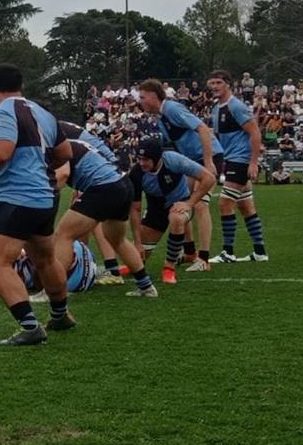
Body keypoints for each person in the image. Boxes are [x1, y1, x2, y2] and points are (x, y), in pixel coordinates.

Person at [0, 64, 72, 346]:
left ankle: (30, 327)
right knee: (45, 258)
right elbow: (65, 153)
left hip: (17, 198)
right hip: (45, 197)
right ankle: (60, 315)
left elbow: (0, 153)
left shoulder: (2, 113)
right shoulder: (43, 113)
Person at [49, 139, 159, 297]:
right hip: (123, 184)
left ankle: (53, 291)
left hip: (104, 186)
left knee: (64, 235)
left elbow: (63, 174)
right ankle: (146, 287)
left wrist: (41, 193)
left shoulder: (58, 145)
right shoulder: (73, 141)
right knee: (117, 240)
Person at [138, 79, 221, 269]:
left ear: (153, 96)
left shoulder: (172, 109)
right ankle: (190, 252)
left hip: (207, 156)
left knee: (199, 204)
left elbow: (202, 128)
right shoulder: (160, 117)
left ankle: (204, 259)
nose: (140, 101)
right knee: (182, 201)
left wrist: (208, 162)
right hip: (191, 159)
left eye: (142, 97)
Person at [130, 137, 218, 285]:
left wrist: (190, 203)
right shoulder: (136, 173)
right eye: (139, 159)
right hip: (155, 210)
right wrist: (137, 243)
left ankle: (169, 268)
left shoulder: (173, 160)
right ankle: (129, 265)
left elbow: (209, 178)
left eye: (146, 159)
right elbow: (135, 209)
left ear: (157, 158)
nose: (141, 163)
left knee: (176, 219)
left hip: (180, 203)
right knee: (136, 262)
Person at [206, 70, 269, 263]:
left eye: (218, 82)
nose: (214, 87)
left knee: (225, 203)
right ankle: (260, 252)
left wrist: (253, 162)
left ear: (228, 84)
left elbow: (255, 133)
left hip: (240, 160)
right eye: (212, 83)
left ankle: (228, 252)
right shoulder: (217, 108)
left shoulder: (236, 106)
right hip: (231, 159)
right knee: (246, 207)